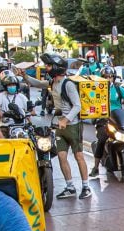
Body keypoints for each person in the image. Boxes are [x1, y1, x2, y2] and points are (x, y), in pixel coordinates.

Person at [45, 56, 92, 199]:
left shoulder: (68, 84)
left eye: (49, 65)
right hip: (60, 126)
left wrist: (65, 119)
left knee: (79, 156)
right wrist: (25, 78)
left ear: (56, 67)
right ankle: (70, 186)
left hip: (73, 126)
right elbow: (39, 84)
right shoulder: (53, 83)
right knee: (61, 156)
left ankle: (86, 187)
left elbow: (77, 105)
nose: (46, 68)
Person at [89, 67, 124, 177]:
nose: (109, 79)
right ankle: (95, 167)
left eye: (110, 77)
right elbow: (91, 102)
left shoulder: (119, 89)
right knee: (103, 138)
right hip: (103, 119)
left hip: (118, 118)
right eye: (106, 77)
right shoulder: (97, 90)